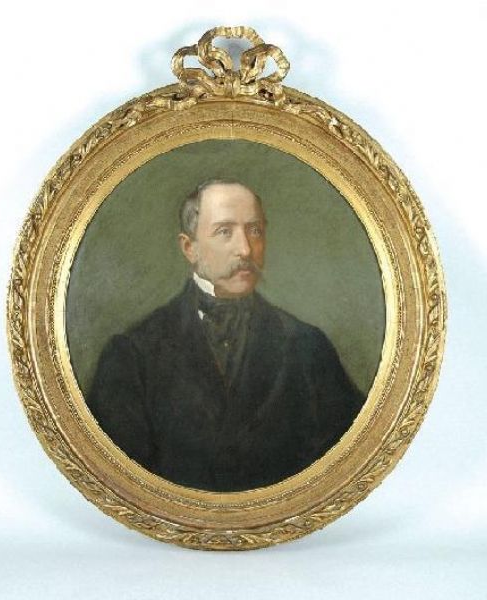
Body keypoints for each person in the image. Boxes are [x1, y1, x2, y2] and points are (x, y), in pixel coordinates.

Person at [87, 179, 364, 491]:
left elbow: (346, 465)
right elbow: (119, 482)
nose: (245, 249)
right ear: (189, 248)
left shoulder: (308, 347)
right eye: (224, 232)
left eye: (255, 230)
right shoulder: (132, 354)